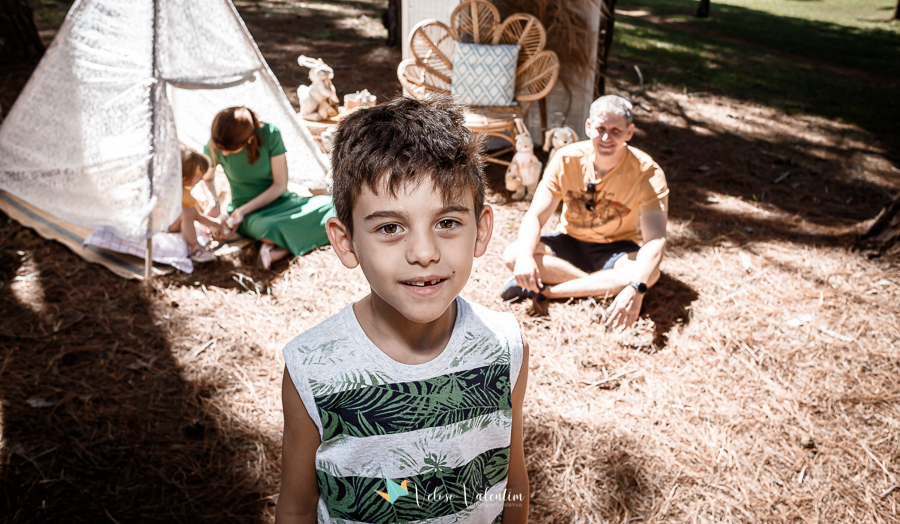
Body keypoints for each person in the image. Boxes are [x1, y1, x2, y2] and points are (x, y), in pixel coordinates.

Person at [276, 97, 529, 524]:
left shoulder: (505, 348)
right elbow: (297, 507)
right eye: (390, 228)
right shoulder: (312, 368)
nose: (425, 253)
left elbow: (512, 484)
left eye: (447, 222)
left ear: (481, 230)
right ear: (346, 240)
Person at [501, 95, 668, 330]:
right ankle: (603, 287)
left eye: (616, 130)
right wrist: (527, 255)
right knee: (514, 253)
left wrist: (637, 286)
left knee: (648, 273)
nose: (607, 138)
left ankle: (549, 291)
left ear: (629, 132)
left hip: (616, 248)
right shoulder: (566, 159)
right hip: (570, 241)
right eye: (600, 128)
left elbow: (656, 239)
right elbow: (535, 216)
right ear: (588, 127)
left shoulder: (647, 172)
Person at [203, 107, 335, 269]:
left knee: (335, 206)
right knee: (269, 228)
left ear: (250, 139)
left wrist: (243, 211)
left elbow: (279, 185)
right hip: (249, 214)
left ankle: (280, 248)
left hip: (281, 202)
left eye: (229, 150)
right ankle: (279, 248)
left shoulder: (270, 134)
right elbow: (207, 179)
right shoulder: (216, 144)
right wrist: (214, 202)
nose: (224, 153)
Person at [169, 146, 222, 263]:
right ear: (185, 178)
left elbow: (196, 213)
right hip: (166, 225)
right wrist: (215, 223)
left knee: (188, 212)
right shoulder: (176, 193)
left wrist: (214, 223)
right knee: (187, 213)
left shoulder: (182, 191)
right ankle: (196, 248)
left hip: (169, 223)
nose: (200, 180)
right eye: (198, 178)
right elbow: (195, 215)